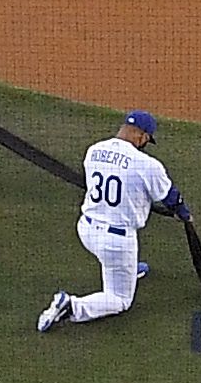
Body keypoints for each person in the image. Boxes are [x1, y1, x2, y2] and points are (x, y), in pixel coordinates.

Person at [41, 112, 181, 330]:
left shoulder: (93, 150)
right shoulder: (147, 164)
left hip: (86, 229)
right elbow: (171, 197)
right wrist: (184, 213)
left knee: (114, 260)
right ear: (141, 136)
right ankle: (71, 306)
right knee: (119, 300)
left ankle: (126, 269)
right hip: (115, 241)